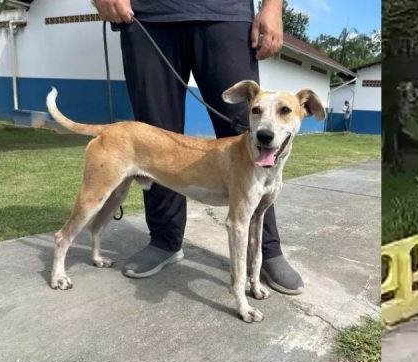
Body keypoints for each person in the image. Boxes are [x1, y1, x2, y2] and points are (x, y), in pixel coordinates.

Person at [92, 0, 304, 294]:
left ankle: (266, 248)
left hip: (225, 13)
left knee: (245, 128)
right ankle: (164, 239)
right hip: (148, 16)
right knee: (155, 145)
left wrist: (273, 6)